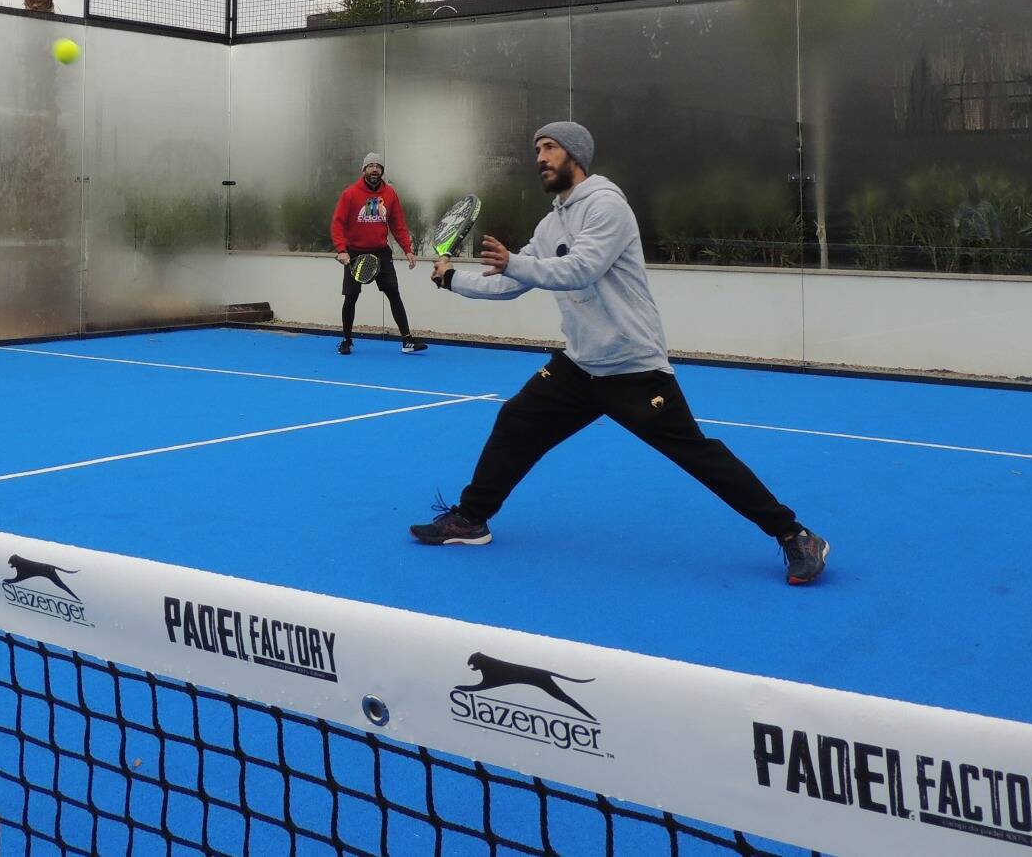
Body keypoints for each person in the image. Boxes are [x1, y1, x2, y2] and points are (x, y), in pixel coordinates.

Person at [414, 122, 829, 586]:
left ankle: (795, 534)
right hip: (579, 368)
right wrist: (453, 279)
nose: (540, 158)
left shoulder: (607, 206)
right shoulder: (550, 225)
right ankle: (471, 519)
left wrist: (514, 261)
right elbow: (512, 283)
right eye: (537, 149)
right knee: (515, 420)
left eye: (550, 148)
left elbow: (580, 269)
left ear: (576, 154)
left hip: (633, 368)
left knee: (698, 455)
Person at [330, 153, 428, 354]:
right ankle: (347, 341)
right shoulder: (350, 194)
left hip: (382, 254)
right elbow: (337, 224)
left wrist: (408, 249)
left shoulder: (390, 194)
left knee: (394, 294)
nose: (374, 169)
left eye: (378, 166)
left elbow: (398, 224)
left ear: (382, 171)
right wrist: (341, 250)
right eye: (370, 166)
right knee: (351, 298)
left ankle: (407, 341)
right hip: (354, 255)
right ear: (364, 170)